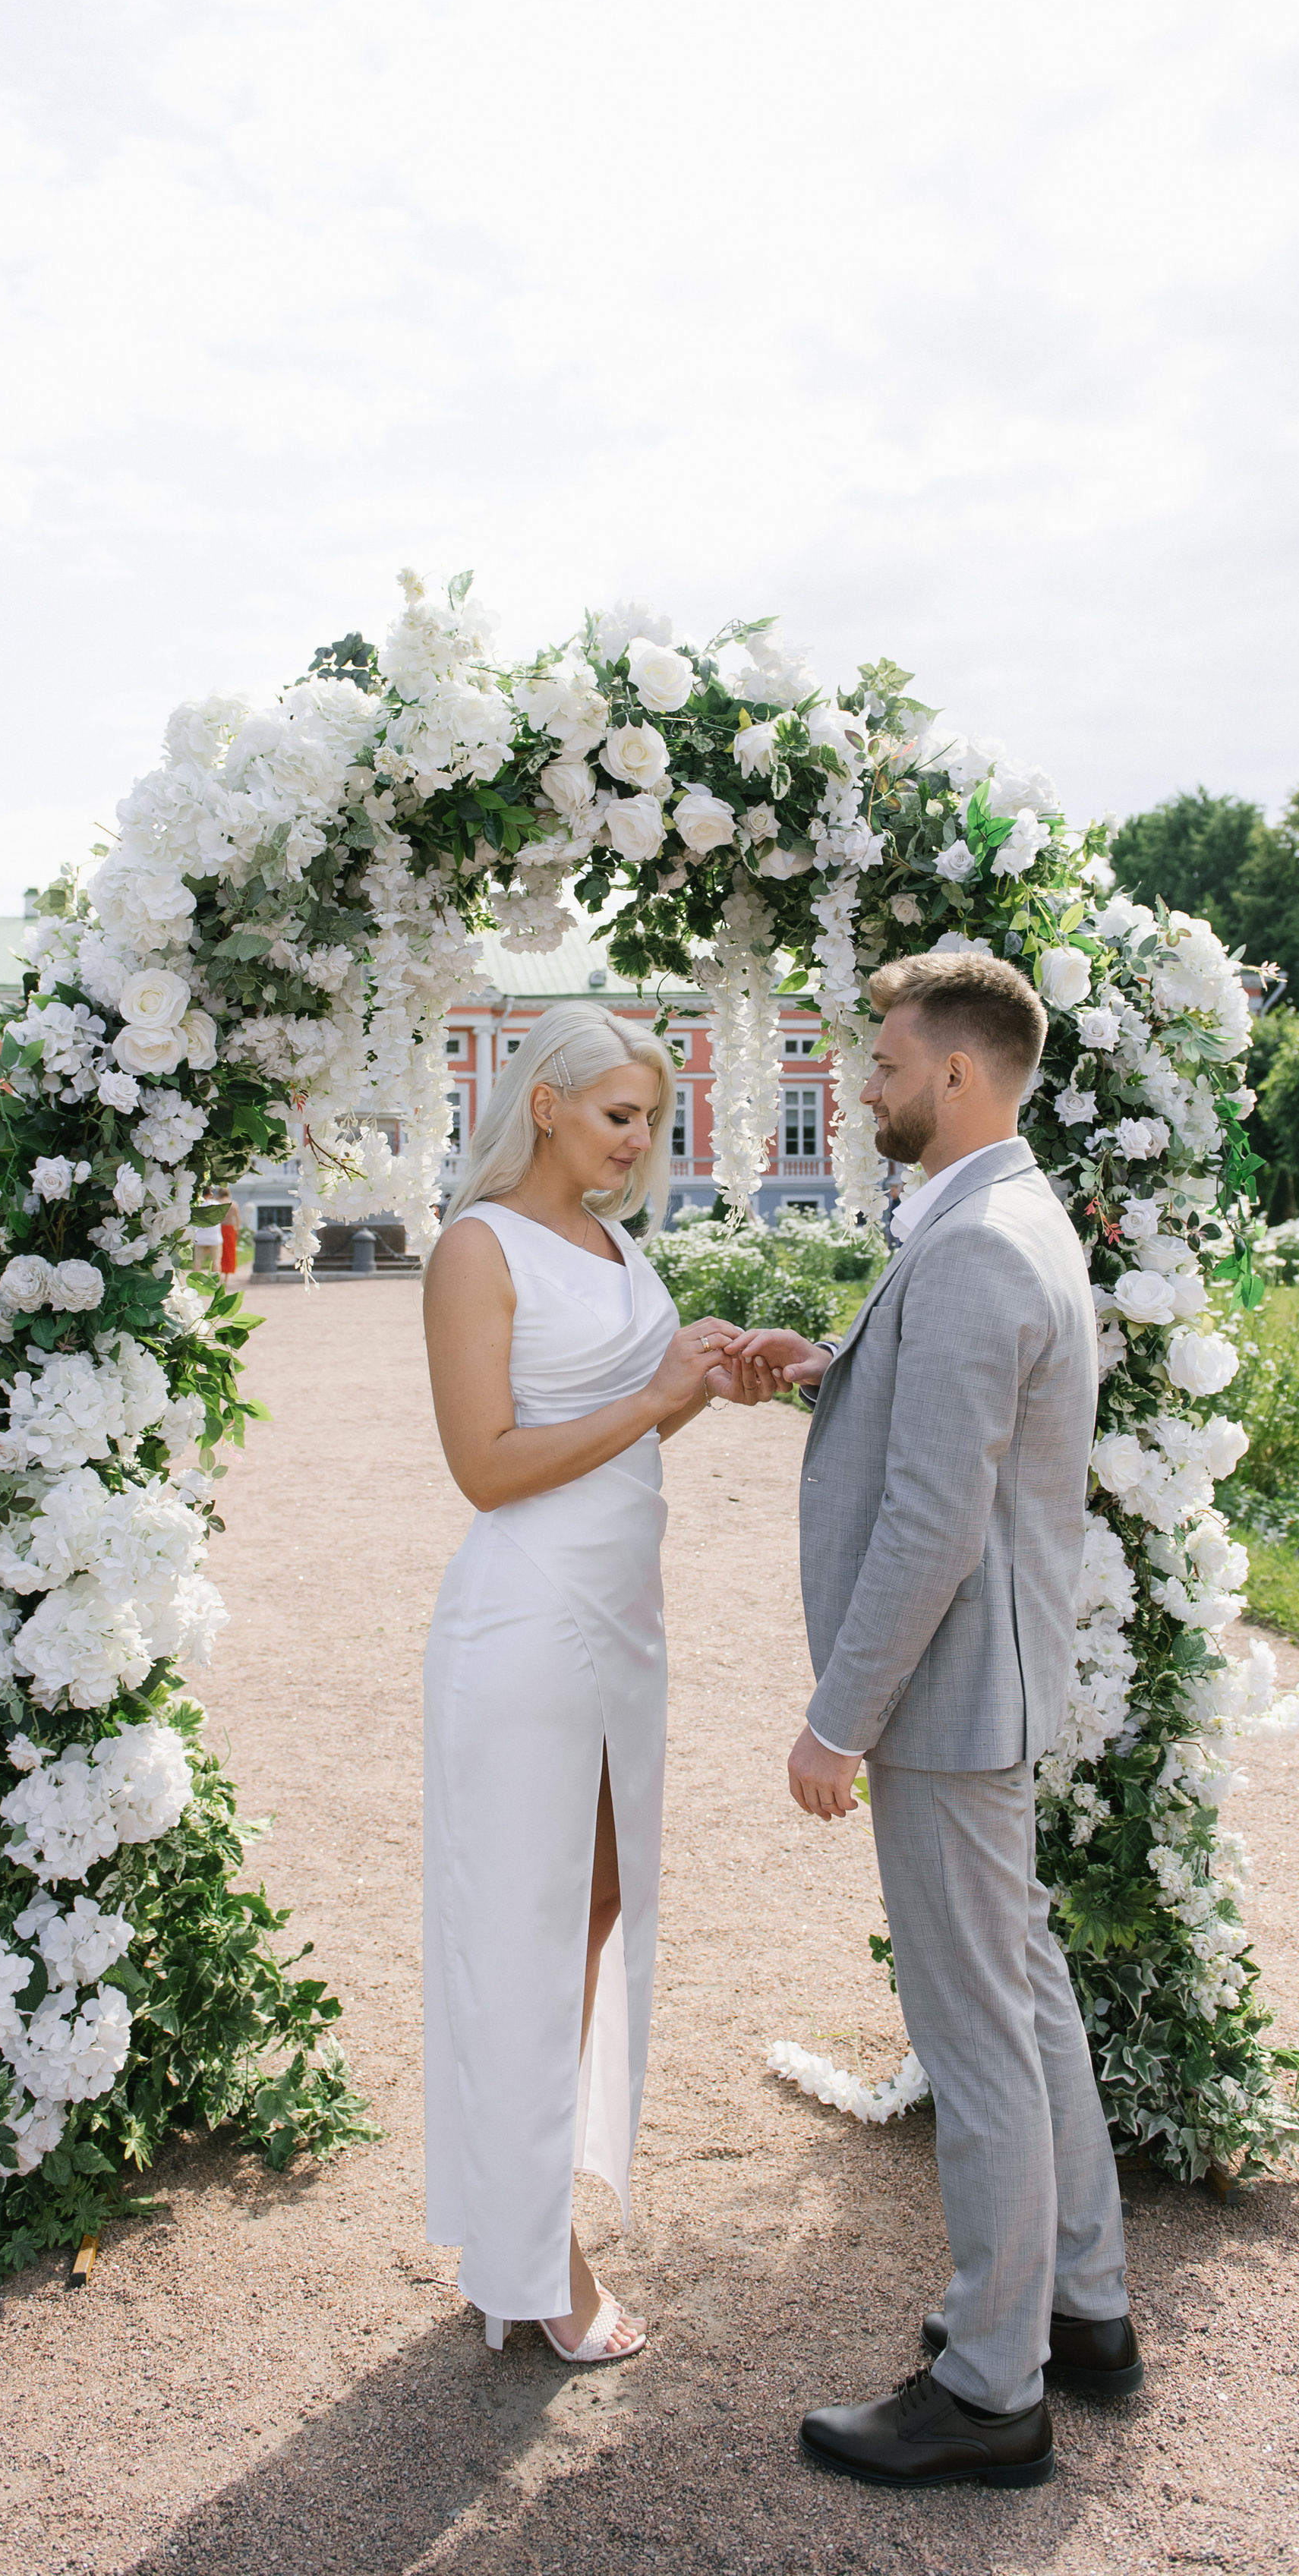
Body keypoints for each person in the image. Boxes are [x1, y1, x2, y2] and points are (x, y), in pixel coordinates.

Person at [730, 947, 1140, 2491]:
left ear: (958, 1072)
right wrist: (829, 1369)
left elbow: (932, 1523)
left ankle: (988, 2386)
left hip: (950, 1705)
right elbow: (961, 1413)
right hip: (992, 1690)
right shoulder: (1003, 1215)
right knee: (1023, 1996)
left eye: (888, 1063)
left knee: (976, 2040)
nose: (866, 1086)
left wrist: (837, 1722)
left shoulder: (973, 1242)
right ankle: (1081, 2307)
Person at [420, 1004, 745, 2366]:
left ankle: (528, 2209)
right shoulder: (475, 1248)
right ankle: (530, 2255)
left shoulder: (617, 1244)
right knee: (526, 1932)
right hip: (528, 1621)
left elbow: (629, 1414)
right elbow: (488, 1467)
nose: (638, 1141)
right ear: (545, 1103)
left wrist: (712, 1376)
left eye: (652, 1120)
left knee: (600, 1909)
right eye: (619, 1115)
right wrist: (657, 1398)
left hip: (624, 1618)